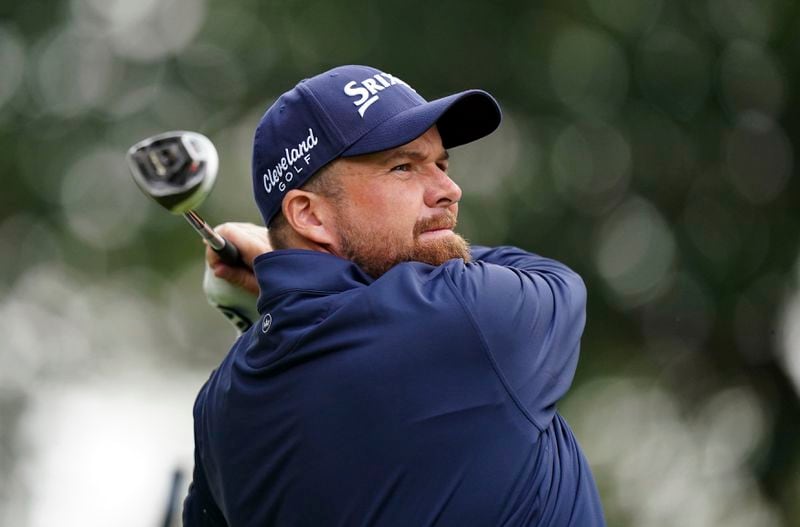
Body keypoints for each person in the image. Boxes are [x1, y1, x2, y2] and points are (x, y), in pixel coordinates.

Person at [183, 65, 606, 526]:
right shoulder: (471, 316)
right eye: (403, 167)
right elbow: (554, 278)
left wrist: (286, 273)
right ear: (310, 216)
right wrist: (274, 265)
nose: (449, 190)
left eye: (440, 164)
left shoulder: (220, 405)